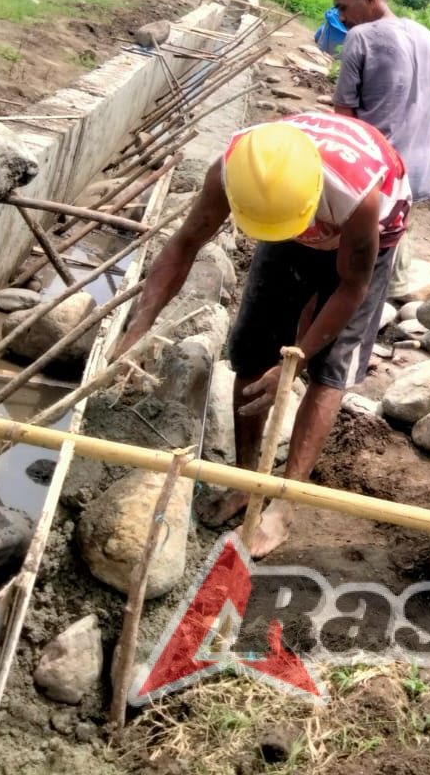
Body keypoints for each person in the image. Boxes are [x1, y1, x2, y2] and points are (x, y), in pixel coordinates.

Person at [116, 112, 411, 558]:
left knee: (329, 370)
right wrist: (138, 327)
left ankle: (286, 504)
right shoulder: (234, 171)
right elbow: (184, 244)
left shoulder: (359, 197)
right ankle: (247, 478)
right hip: (290, 219)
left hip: (366, 235)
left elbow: (352, 287)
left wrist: (297, 361)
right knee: (253, 351)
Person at [329, 0, 430, 202]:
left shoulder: (359, 37)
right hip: (415, 180)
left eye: (343, 7)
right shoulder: (427, 36)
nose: (341, 17)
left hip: (374, 177)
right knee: (393, 238)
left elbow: (343, 118)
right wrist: (411, 112)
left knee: (350, 239)